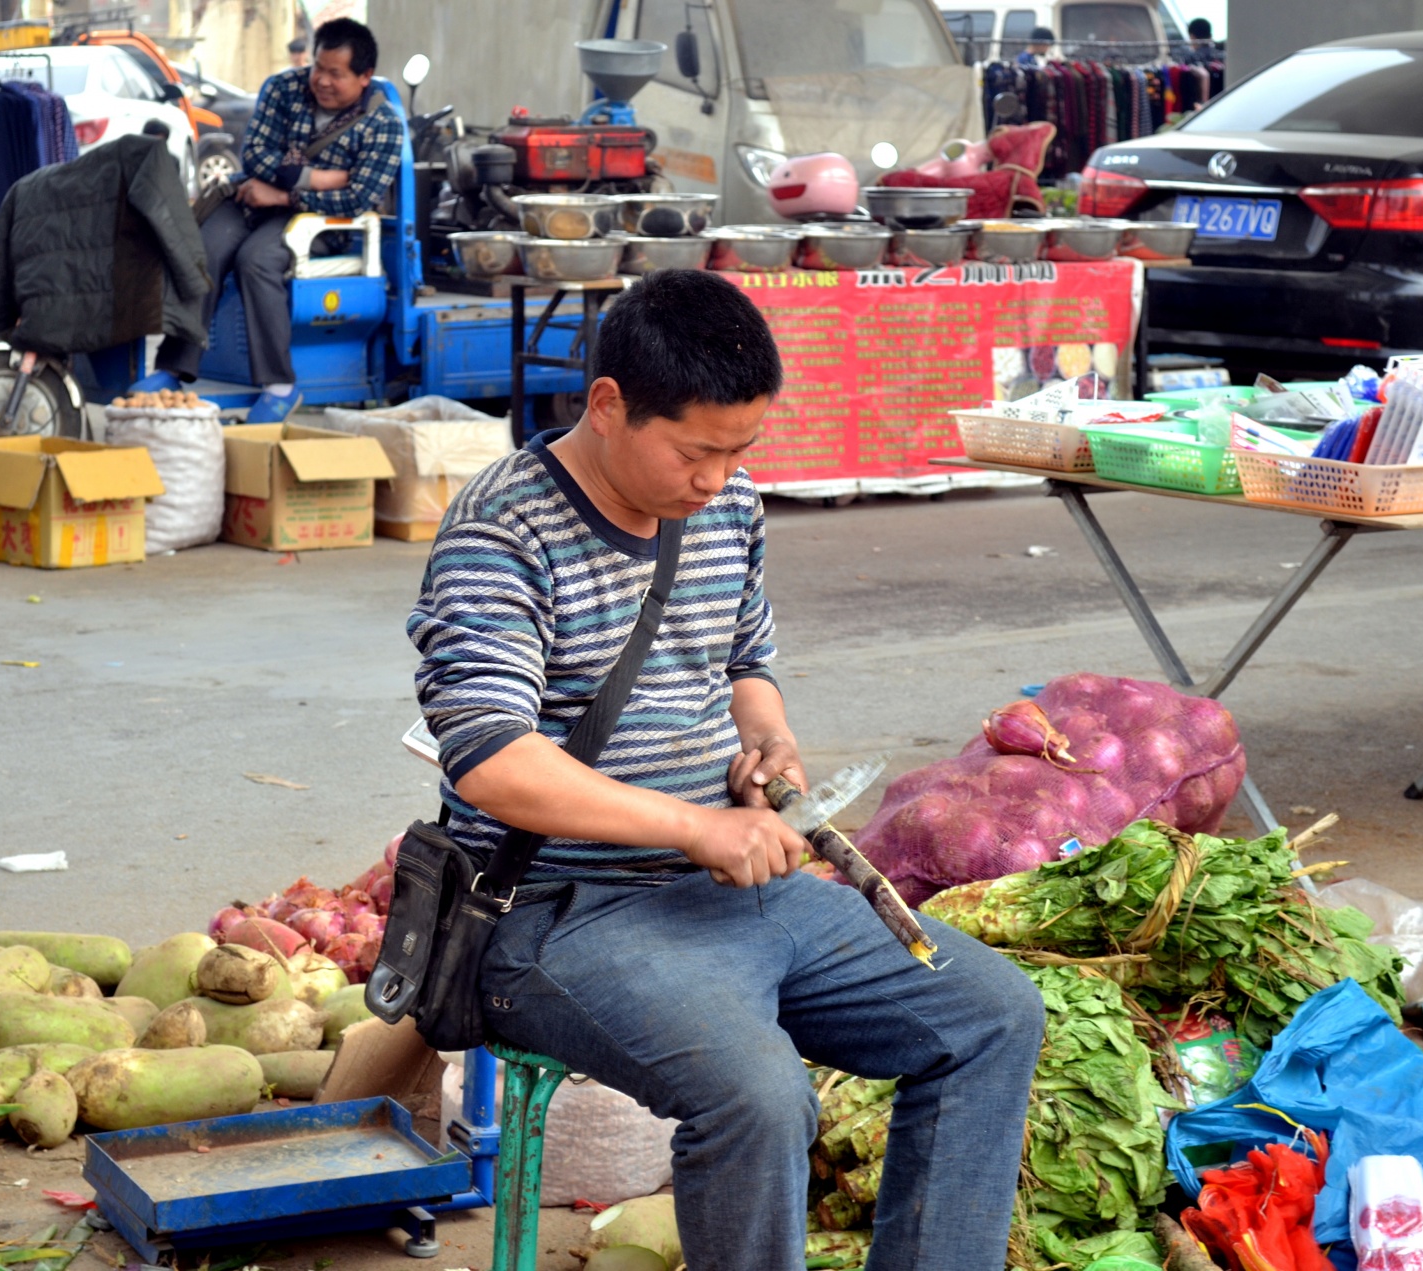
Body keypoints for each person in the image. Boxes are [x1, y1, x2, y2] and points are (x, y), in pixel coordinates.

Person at [409, 269, 1045, 1271]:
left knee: (991, 1013)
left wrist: (770, 742)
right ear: (609, 404)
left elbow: (745, 661)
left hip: (728, 888)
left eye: (740, 448)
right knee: (756, 1093)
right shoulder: (503, 527)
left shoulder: (727, 502)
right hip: (558, 913)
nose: (716, 479)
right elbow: (493, 762)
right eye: (695, 451)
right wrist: (696, 824)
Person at [131, 16, 403, 421]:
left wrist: (283, 192)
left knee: (257, 261)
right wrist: (322, 177)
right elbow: (256, 155)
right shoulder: (282, 88)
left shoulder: (384, 124)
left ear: (365, 76)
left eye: (336, 74)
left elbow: (357, 198)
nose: (322, 81)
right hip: (250, 199)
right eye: (318, 68)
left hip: (316, 223)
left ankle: (279, 385)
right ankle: (172, 367)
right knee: (203, 250)